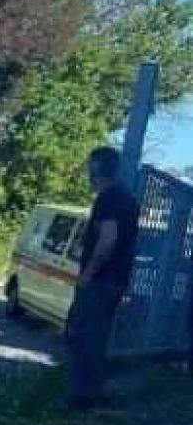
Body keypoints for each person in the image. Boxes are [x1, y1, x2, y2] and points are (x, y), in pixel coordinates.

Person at [67, 146, 139, 410]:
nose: (88, 171)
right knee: (97, 337)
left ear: (96, 168)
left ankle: (82, 397)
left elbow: (108, 239)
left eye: (90, 166)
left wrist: (88, 273)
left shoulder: (109, 199)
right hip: (115, 280)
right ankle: (92, 391)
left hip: (101, 281)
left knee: (85, 336)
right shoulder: (128, 199)